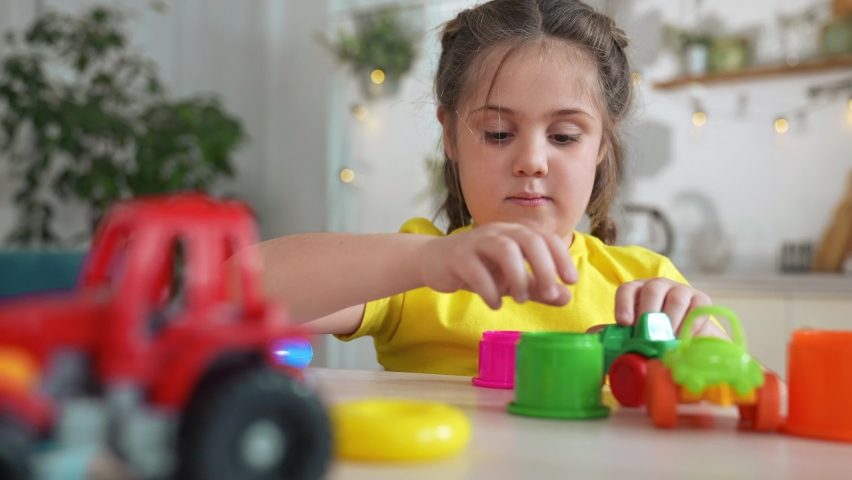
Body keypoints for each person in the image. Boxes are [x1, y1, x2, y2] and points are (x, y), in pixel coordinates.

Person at [255, 0, 727, 377]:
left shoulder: (644, 286)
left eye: (564, 136)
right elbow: (239, 288)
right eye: (498, 133)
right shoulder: (418, 272)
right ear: (450, 135)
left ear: (602, 143)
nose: (531, 161)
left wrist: (697, 341)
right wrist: (422, 261)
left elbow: (749, 397)